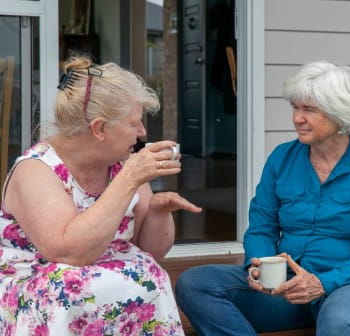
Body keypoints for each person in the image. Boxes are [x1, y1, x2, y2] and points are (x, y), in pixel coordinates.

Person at [175, 61, 350, 336]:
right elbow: (262, 228)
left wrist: (321, 282)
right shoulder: (282, 159)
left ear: (339, 114)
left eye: (309, 110)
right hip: (288, 287)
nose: (297, 118)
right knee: (195, 283)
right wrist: (258, 265)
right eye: (296, 107)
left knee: (340, 322)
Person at [0, 56, 202, 335]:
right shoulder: (36, 170)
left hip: (99, 277)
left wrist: (157, 211)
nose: (143, 132)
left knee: (150, 274)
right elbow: (71, 252)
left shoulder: (121, 162)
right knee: (68, 287)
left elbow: (152, 252)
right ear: (99, 129)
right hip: (39, 286)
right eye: (135, 123)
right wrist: (130, 178)